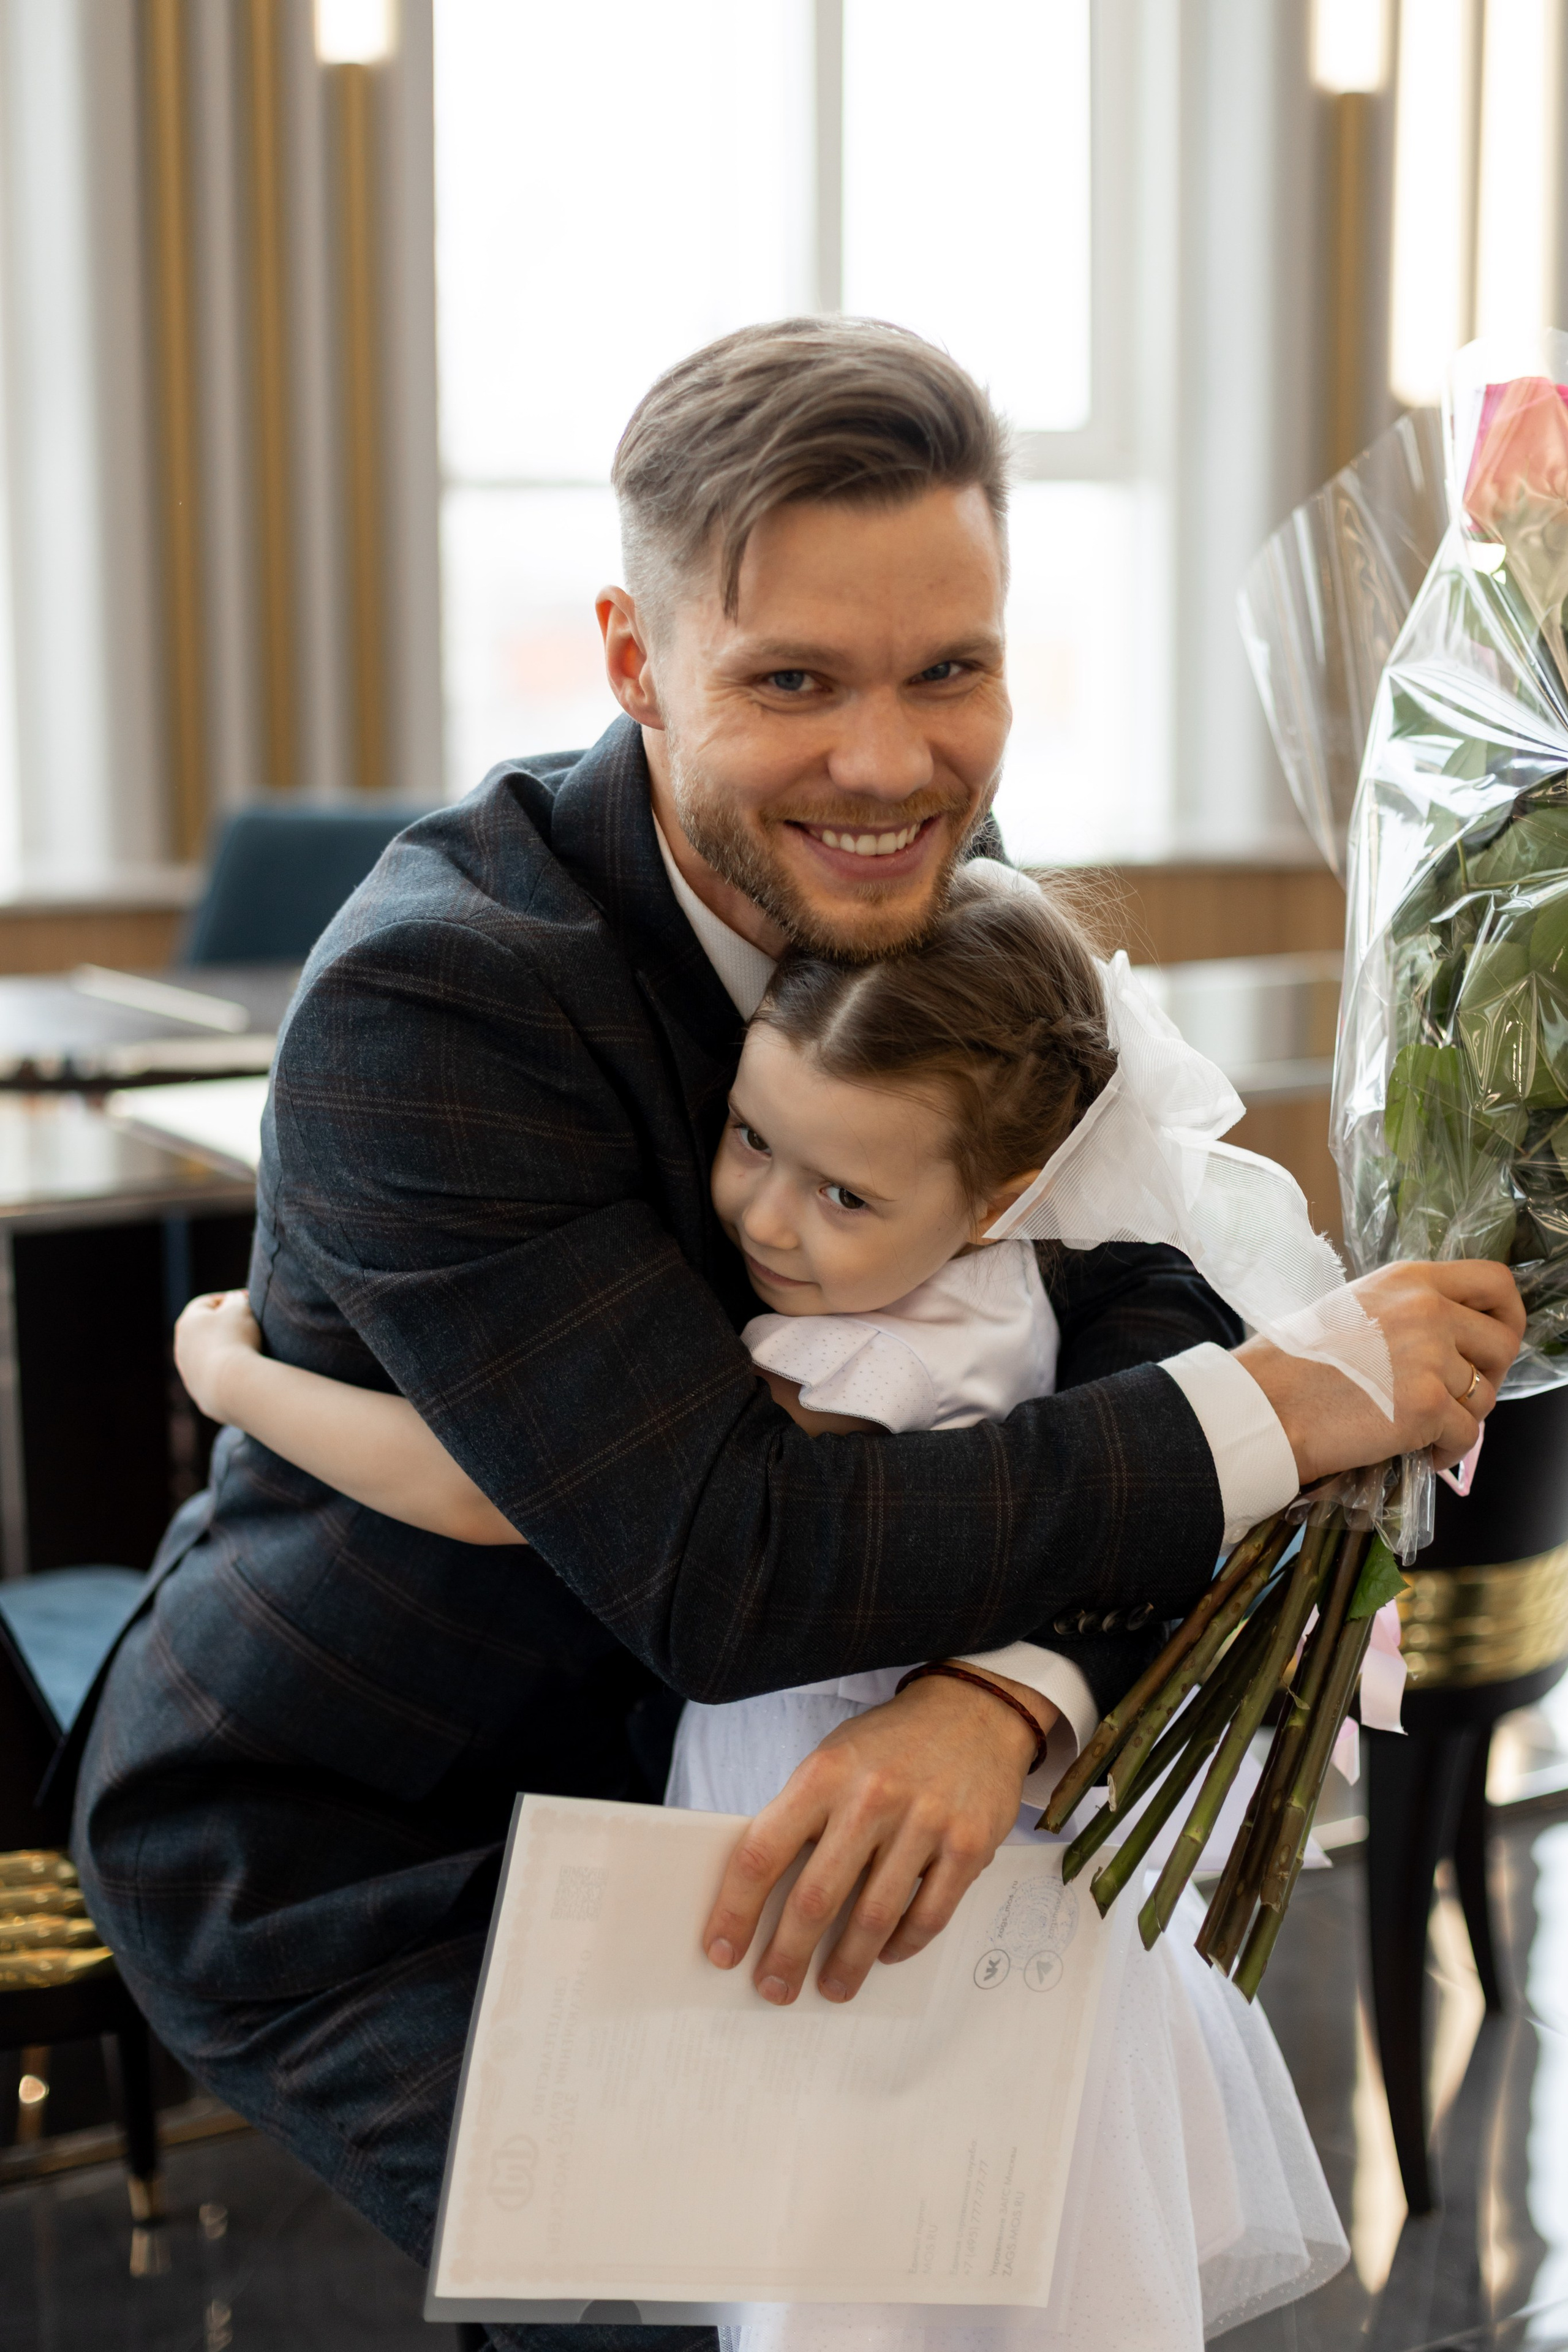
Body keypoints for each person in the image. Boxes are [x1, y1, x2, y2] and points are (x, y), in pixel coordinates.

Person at [75, 320, 1522, 2352]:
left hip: (807, 1744)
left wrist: (1003, 1690)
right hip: (398, 1825)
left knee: (975, 2264)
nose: (891, 764)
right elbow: (732, 1561)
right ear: (632, 658)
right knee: (720, 2308)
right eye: (793, 682)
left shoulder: (944, 893)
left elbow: (1138, 1319)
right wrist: (1280, 1408)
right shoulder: (441, 1005)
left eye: (952, 671)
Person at [173, 863, 1351, 2345]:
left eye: (842, 1192)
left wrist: (238, 1385)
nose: (769, 1220)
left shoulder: (851, 1362)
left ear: (1003, 1193)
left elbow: (491, 1492)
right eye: (749, 1140)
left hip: (841, 1855)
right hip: (978, 1856)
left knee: (852, 2262)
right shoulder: (988, 1282)